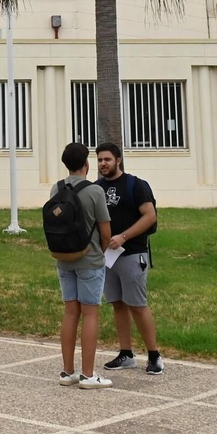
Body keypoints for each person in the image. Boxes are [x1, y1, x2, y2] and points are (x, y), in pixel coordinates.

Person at [96, 142, 164, 375]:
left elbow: (149, 216)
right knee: (118, 304)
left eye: (107, 159)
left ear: (118, 160)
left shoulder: (136, 185)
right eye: (99, 160)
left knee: (137, 305)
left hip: (132, 253)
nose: (103, 164)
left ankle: (154, 355)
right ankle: (126, 354)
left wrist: (124, 237)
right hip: (107, 257)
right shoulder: (97, 188)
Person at [50, 142, 112, 389]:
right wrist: (101, 251)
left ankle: (67, 372)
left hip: (63, 258)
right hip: (90, 259)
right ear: (86, 164)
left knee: (70, 312)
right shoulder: (95, 191)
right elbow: (105, 231)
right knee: (90, 314)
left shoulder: (56, 188)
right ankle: (88, 375)